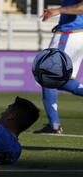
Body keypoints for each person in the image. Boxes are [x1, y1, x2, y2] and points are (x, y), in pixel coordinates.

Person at [34, 0, 83, 134]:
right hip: (72, 33)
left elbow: (81, 8)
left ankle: (54, 125)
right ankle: (54, 124)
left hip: (70, 34)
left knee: (47, 75)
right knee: (59, 79)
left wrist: (58, 10)